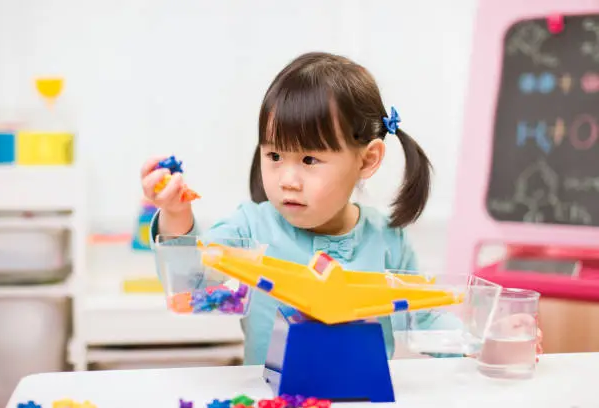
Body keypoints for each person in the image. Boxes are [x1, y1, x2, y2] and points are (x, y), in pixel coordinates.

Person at [141, 51, 539, 365]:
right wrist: (176, 214)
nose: (287, 179)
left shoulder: (386, 238)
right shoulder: (250, 227)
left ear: (366, 160)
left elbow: (427, 316)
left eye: (310, 161)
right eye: (274, 155)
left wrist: (487, 339)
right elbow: (190, 284)